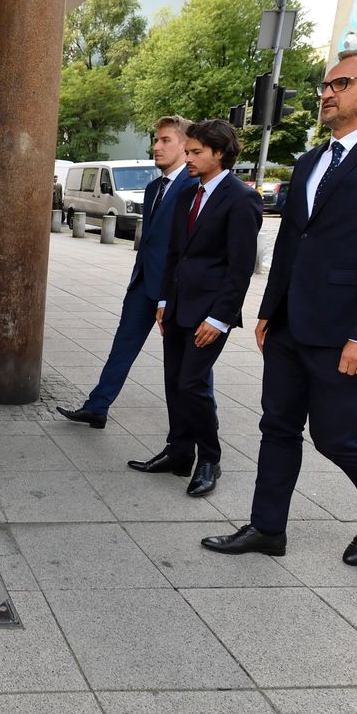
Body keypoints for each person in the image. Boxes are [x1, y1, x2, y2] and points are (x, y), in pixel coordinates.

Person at [203, 48, 357, 564]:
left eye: (340, 84)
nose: (327, 94)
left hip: (348, 329)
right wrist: (269, 310)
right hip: (291, 321)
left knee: (336, 436)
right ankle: (267, 528)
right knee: (277, 427)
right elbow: (292, 241)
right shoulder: (313, 159)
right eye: (325, 87)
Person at [129, 119, 262, 497]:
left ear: (219, 153)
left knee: (193, 383)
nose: (187, 158)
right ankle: (178, 452)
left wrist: (219, 319)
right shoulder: (189, 194)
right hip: (177, 307)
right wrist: (164, 301)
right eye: (186, 151)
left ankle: (210, 459)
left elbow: (240, 270)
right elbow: (176, 254)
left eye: (195, 152)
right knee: (175, 382)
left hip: (210, 313)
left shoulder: (241, 198)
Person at [58, 116, 195, 429]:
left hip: (174, 292)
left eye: (165, 141)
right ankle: (97, 407)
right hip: (143, 284)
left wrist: (173, 293)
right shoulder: (153, 188)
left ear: (186, 147)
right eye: (156, 140)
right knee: (122, 347)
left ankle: (203, 439)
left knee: (189, 367)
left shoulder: (192, 188)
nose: (156, 146)